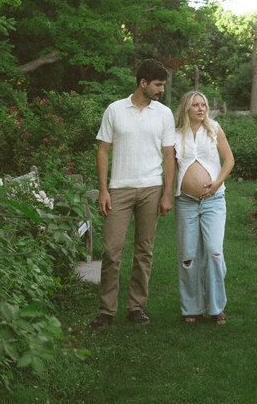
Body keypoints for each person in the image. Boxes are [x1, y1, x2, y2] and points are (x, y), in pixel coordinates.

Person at [89, 58, 175, 329]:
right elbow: (103, 150)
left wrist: (167, 193)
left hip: (151, 188)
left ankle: (136, 307)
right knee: (112, 251)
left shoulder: (164, 114)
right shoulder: (115, 110)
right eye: (158, 85)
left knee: (144, 251)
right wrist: (103, 190)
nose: (161, 90)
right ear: (143, 83)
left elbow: (169, 155)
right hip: (119, 189)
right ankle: (106, 311)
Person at [174, 89, 235, 325]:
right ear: (186, 108)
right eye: (195, 105)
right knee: (188, 256)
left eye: (203, 105)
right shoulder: (176, 133)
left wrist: (217, 183)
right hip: (186, 202)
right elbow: (170, 166)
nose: (201, 109)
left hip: (214, 201)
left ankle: (216, 306)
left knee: (213, 251)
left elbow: (229, 159)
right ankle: (192, 307)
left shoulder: (214, 128)